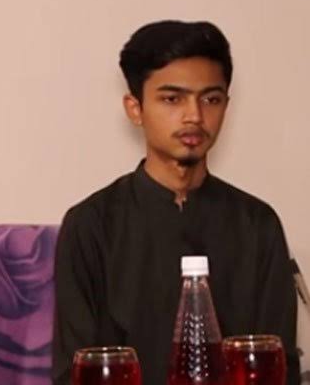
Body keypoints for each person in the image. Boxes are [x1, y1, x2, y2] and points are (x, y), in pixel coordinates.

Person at [52, 20, 299, 384]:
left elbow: (278, 368)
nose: (194, 116)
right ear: (135, 108)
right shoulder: (91, 225)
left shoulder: (257, 224)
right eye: (172, 99)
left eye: (210, 99)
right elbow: (73, 371)